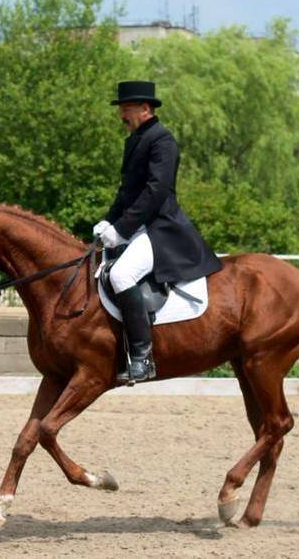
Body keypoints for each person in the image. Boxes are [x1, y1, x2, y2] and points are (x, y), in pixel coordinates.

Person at [94, 80, 223, 384]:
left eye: (126, 110)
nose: (122, 115)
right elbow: (126, 192)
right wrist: (109, 221)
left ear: (145, 109)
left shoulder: (162, 140)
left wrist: (122, 228)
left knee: (120, 275)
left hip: (161, 227)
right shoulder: (136, 139)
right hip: (138, 226)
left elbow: (155, 191)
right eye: (121, 110)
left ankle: (141, 357)